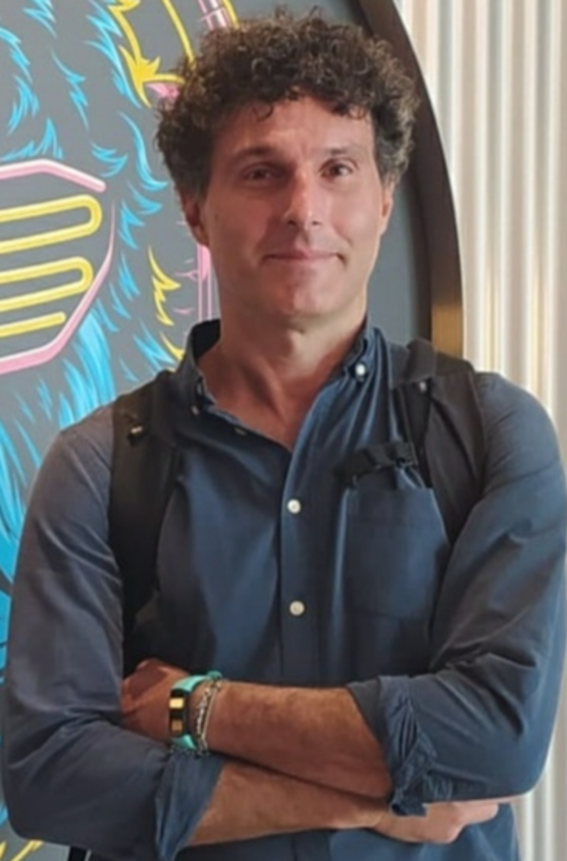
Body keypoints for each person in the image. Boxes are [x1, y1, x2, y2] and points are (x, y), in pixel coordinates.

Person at [2, 8, 566, 861]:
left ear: (384, 197)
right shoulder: (100, 467)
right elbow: (52, 775)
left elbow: (493, 740)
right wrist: (376, 799)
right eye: (261, 172)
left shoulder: (488, 433)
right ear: (195, 209)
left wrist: (194, 707)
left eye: (337, 168)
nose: (303, 209)